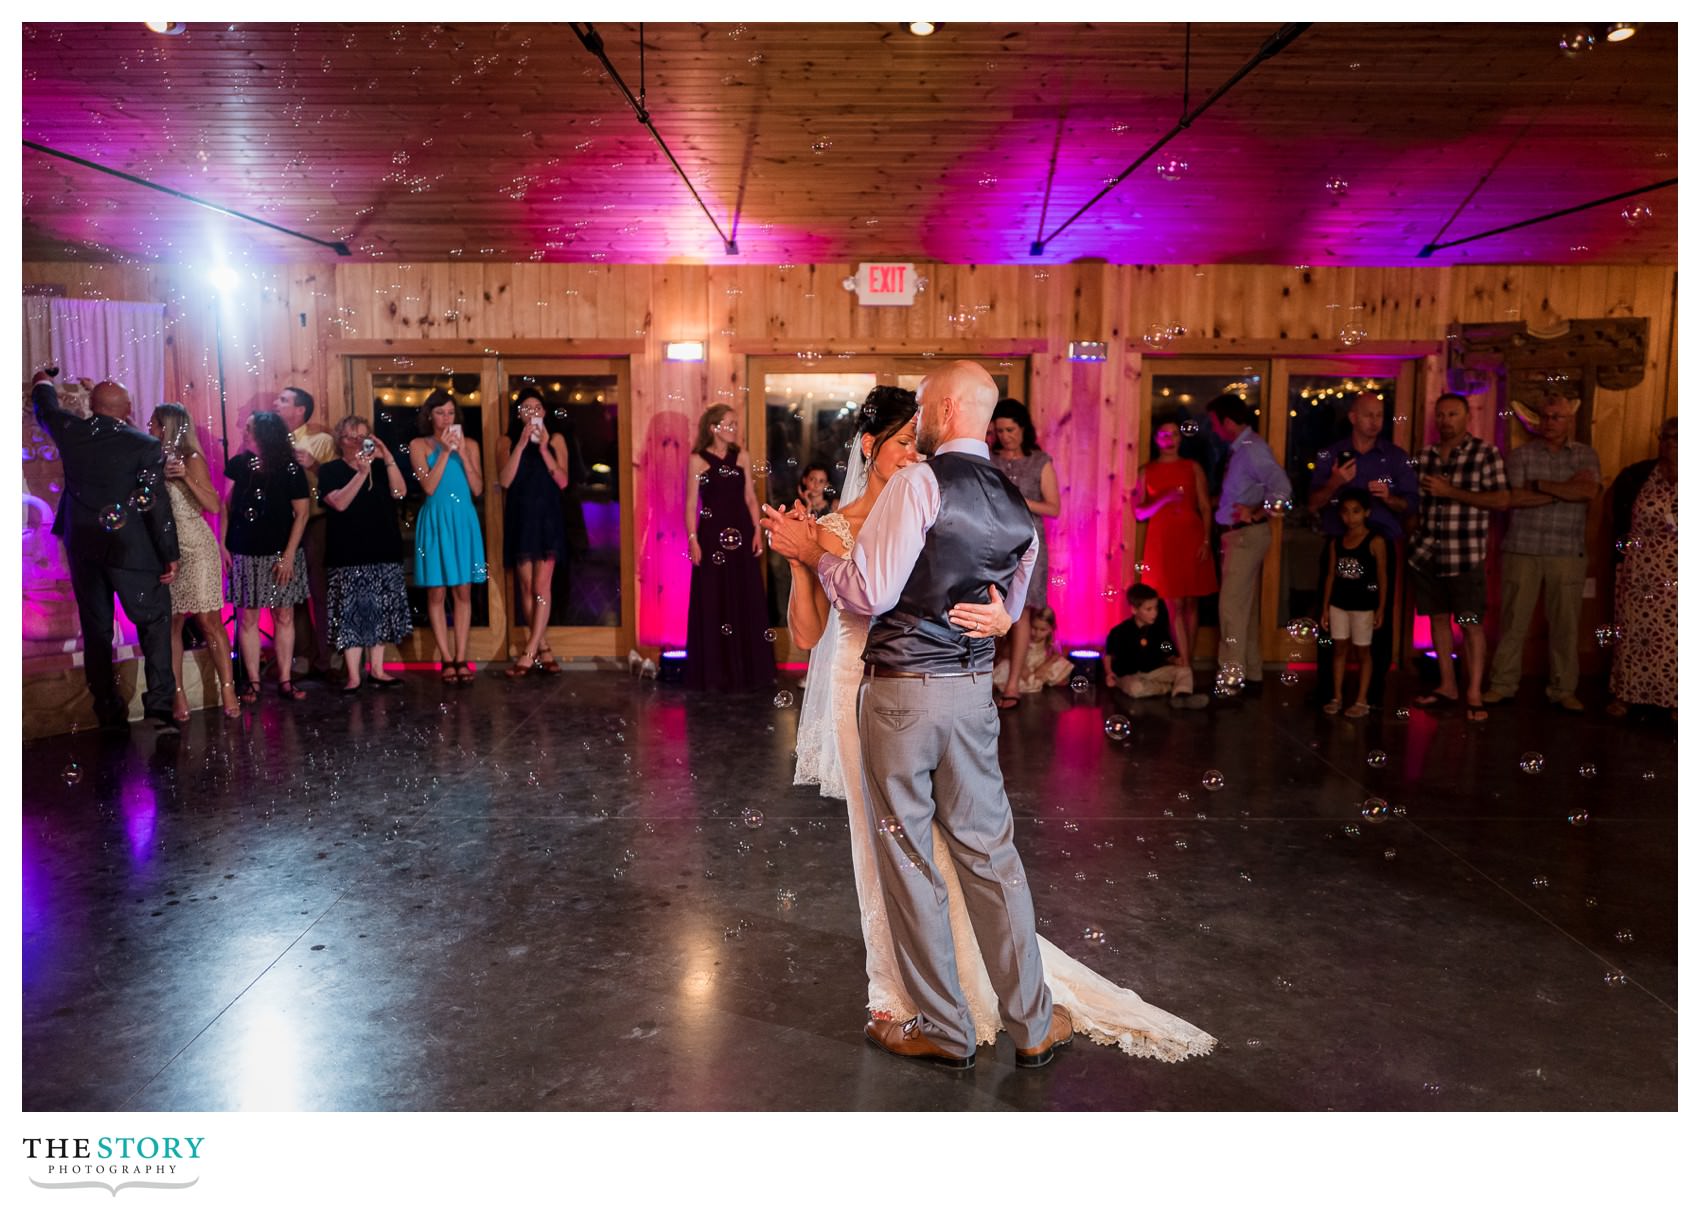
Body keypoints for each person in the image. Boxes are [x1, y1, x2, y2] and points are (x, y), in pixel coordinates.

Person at [765, 361, 1214, 1070]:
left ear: (943, 408)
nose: (917, 430)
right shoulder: (1012, 493)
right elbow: (1015, 588)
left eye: (923, 411)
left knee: (911, 858)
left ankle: (945, 1027)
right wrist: (1002, 617)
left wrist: (816, 555)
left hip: (902, 692)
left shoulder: (920, 483)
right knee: (991, 853)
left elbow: (871, 589)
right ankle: (1033, 1021)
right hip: (973, 696)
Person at [30, 371, 181, 730]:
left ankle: (108, 710)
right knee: (154, 624)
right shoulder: (145, 445)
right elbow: (155, 506)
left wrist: (42, 383)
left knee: (96, 630)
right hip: (134, 551)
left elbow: (46, 409)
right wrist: (169, 552)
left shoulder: (73, 432)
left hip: (84, 547)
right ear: (128, 409)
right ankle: (160, 708)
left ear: (90, 407)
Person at [1484, 396, 1601, 712]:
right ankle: (1502, 685)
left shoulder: (1585, 456)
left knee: (1566, 625)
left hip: (1567, 551)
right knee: (1512, 623)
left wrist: (1539, 487)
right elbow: (1514, 498)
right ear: (1539, 421)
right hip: (1522, 548)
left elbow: (1588, 492)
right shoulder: (1520, 455)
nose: (1551, 422)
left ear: (1569, 421)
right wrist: (1563, 490)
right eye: (1546, 417)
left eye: (1557, 417)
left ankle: (1563, 690)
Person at [1308, 390, 1419, 709]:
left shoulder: (1395, 457)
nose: (1375, 422)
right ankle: (1330, 692)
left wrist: (1389, 498)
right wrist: (1334, 483)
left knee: (1377, 624)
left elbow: (1411, 504)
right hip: (1338, 547)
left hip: (1379, 548)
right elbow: (1313, 504)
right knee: (1330, 618)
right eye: (1369, 415)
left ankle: (1371, 696)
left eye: (1380, 415)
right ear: (1353, 418)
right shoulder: (1332, 455)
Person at [1408, 392, 1509, 722]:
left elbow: (1501, 500)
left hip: (1464, 555)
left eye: (1452, 414)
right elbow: (1415, 504)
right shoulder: (1425, 456)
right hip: (1427, 553)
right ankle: (1447, 685)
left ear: (1467, 418)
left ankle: (1474, 692)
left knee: (1470, 624)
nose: (1445, 420)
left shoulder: (1485, 453)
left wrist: (1451, 492)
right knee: (1437, 620)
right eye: (1440, 415)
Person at [149, 403, 240, 720]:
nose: (150, 428)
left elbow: (214, 505)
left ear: (169, 427)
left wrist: (186, 477)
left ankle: (228, 688)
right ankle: (178, 694)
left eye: (155, 423)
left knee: (208, 621)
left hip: (197, 547)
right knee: (171, 623)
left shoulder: (191, 459)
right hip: (166, 551)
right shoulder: (150, 463)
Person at [683, 404, 774, 692]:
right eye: (730, 423)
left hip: (741, 535)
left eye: (736, 423)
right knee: (713, 599)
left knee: (744, 597)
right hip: (711, 538)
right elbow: (690, 504)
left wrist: (757, 530)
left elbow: (749, 497)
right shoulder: (697, 460)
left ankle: (748, 672)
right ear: (713, 427)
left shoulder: (742, 457)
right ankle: (714, 673)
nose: (735, 427)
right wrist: (693, 539)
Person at [318, 415, 411, 692]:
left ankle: (378, 670)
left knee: (380, 611)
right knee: (351, 613)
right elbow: (339, 503)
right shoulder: (330, 470)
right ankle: (354, 676)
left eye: (363, 437)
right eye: (351, 437)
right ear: (340, 441)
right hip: (348, 551)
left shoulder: (382, 468)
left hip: (383, 547)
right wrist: (361, 473)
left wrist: (389, 458)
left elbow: (400, 492)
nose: (358, 442)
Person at [225, 410, 311, 701]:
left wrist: (288, 556)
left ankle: (286, 679)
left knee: (284, 615)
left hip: (280, 552)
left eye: (250, 428)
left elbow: (301, 514)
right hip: (245, 549)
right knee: (247, 617)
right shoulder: (238, 465)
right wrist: (223, 545)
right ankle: (253, 682)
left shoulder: (290, 468)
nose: (244, 432)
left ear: (265, 434)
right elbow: (226, 507)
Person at [1209, 393, 1292, 694]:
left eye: (1214, 422)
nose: (1213, 428)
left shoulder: (1252, 449)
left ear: (1227, 422)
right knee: (1245, 608)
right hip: (1239, 536)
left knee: (1231, 609)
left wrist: (1255, 512)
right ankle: (1252, 674)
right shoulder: (1243, 448)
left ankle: (1231, 683)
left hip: (1245, 536)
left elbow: (1282, 488)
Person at [409, 389, 486, 683]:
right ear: (430, 415)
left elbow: (478, 489)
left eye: (451, 413)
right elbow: (428, 487)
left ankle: (461, 656)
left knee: (463, 590)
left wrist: (463, 454)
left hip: (463, 520)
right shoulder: (419, 445)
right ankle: (445, 658)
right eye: (440, 412)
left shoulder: (471, 445)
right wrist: (443, 451)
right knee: (436, 591)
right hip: (436, 520)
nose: (446, 418)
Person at [989, 398, 1061, 710]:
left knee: (1021, 613)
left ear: (1023, 429)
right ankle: (983, 678)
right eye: (1000, 430)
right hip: (992, 542)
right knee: (987, 607)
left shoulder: (1039, 461)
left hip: (1028, 544)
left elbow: (1054, 508)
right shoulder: (987, 459)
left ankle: (1013, 682)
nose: (1005, 436)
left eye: (1010, 429)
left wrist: (1018, 498)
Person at [497, 386, 570, 677]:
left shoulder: (557, 439)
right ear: (518, 414)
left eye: (537, 408)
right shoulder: (506, 441)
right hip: (521, 517)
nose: (532, 413)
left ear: (544, 412)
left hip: (548, 518)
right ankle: (543, 648)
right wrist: (522, 445)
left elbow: (563, 481)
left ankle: (528, 654)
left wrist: (543, 448)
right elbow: (504, 480)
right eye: (526, 408)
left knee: (542, 588)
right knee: (527, 588)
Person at [1606, 417, 1676, 718]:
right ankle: (1626, 695)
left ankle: (1678, 701)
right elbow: (1616, 514)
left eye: (1678, 438)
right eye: (1666, 437)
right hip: (1639, 571)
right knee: (1633, 635)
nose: (1670, 444)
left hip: (1680, 575)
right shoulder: (1638, 475)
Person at [1133, 412, 1216, 667]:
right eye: (1164, 434)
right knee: (1174, 603)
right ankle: (1186, 666)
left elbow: (1204, 506)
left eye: (1175, 434)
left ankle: (1186, 659)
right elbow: (1139, 512)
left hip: (1191, 537)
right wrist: (1164, 499)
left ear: (1181, 438)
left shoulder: (1192, 467)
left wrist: (1206, 541)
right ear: (1156, 439)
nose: (1170, 439)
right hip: (1163, 542)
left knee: (1192, 601)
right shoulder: (1147, 470)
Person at [267, 386, 337, 681]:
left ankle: (327, 658)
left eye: (283, 400)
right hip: (282, 526)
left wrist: (315, 465)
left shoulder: (321, 441)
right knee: (290, 592)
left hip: (316, 523)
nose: (275, 403)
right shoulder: (270, 442)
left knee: (320, 591)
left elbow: (336, 481)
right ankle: (302, 655)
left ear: (300, 411)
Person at [1320, 489, 1388, 718]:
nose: (1351, 517)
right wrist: (1325, 607)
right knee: (1339, 649)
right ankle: (1337, 697)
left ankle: (1362, 700)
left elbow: (1382, 576)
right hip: (1339, 603)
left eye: (1356, 511)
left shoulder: (1375, 541)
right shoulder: (1337, 542)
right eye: (1346, 512)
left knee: (1363, 652)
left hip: (1364, 606)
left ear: (1367, 513)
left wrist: (1381, 607)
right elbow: (1330, 574)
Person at [1104, 584, 1210, 709]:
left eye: (1156, 608)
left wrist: (1174, 659)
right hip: (1129, 675)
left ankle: (1182, 696)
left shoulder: (1157, 630)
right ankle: (1168, 688)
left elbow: (1166, 650)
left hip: (1153, 671)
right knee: (1136, 688)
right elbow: (1108, 655)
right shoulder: (1120, 631)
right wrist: (1109, 673)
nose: (1154, 613)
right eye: (1148, 609)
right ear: (1134, 610)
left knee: (1185, 670)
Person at [992, 606, 1076, 694]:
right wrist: (1023, 666)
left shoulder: (1051, 641)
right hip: (1023, 664)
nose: (1037, 633)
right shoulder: (1023, 638)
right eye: (1034, 628)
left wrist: (1045, 666)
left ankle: (1038, 679)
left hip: (1040, 665)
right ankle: (1029, 681)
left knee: (1060, 663)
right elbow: (1006, 652)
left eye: (1042, 630)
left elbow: (1059, 653)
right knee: (1005, 667)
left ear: (1051, 629)